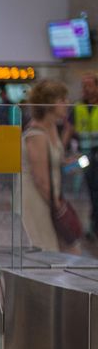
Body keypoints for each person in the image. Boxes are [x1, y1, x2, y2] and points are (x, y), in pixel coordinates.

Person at [22, 79, 72, 252]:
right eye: (62, 99)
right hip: (38, 199)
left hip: (50, 197)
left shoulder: (51, 128)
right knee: (44, 246)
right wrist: (58, 208)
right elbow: (41, 179)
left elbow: (55, 159)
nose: (67, 104)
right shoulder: (36, 134)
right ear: (49, 102)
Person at [74, 72, 98, 237]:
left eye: (89, 85)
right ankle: (94, 224)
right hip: (86, 156)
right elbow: (70, 127)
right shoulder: (78, 106)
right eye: (83, 86)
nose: (86, 89)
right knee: (92, 190)